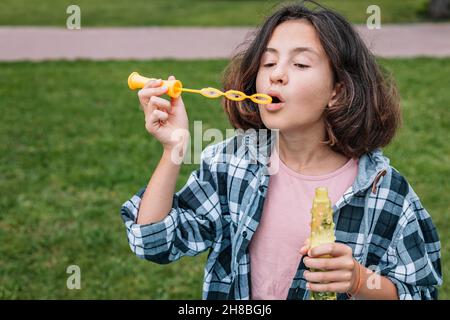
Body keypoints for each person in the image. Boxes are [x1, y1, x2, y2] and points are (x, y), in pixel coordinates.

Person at [120, 2, 442, 300]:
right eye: (268, 62)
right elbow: (153, 242)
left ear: (337, 92)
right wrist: (173, 148)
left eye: (300, 63)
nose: (276, 73)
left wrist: (358, 280)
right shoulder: (231, 165)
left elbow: (420, 291)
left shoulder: (384, 192)